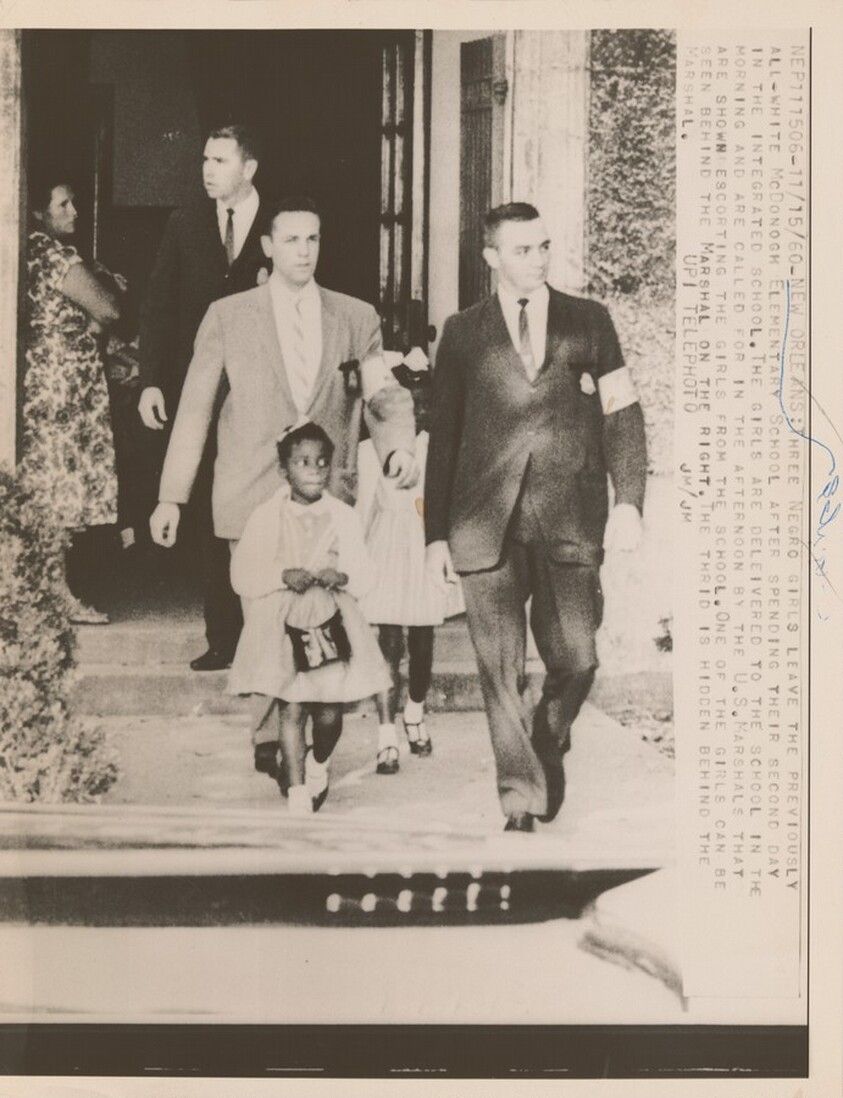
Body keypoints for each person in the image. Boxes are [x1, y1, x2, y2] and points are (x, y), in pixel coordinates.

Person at [149, 194, 416, 772]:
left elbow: (382, 393)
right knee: (264, 622)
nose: (304, 250)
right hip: (248, 492)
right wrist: (171, 497)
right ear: (268, 247)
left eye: (312, 239)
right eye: (291, 239)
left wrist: (398, 447)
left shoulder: (355, 317)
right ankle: (272, 740)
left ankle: (305, 737)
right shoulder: (227, 315)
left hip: (327, 497)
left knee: (319, 616)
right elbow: (194, 408)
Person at [425, 202, 647, 833]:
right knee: (498, 669)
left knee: (577, 657)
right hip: (482, 523)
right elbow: (444, 438)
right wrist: (434, 535)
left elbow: (622, 414)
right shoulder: (462, 332)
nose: (539, 259)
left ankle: (546, 737)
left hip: (570, 517)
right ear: (491, 257)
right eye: (523, 250)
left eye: (544, 246)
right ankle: (520, 795)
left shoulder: (589, 321)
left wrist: (628, 501)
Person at [138, 123, 270, 671]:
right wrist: (150, 379)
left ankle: (271, 634)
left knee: (265, 508)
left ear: (249, 168)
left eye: (220, 160)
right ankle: (224, 637)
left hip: (266, 391)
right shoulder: (186, 222)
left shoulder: (283, 224)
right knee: (215, 506)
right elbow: (159, 303)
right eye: (205, 160)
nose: (207, 170)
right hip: (204, 389)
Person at [229, 421, 389, 814]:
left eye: (321, 462)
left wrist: (343, 576)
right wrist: (281, 575)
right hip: (285, 625)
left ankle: (318, 763)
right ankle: (298, 791)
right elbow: (242, 574)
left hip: (329, 621)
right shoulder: (267, 516)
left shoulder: (342, 516)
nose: (314, 470)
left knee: (330, 714)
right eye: (302, 462)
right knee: (293, 706)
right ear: (283, 469)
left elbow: (365, 572)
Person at [21, 175, 123, 625]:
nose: (74, 212)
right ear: (38, 213)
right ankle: (57, 596)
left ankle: (50, 592)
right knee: (60, 486)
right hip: (63, 383)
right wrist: (103, 303)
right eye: (63, 205)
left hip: (47, 379)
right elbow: (109, 308)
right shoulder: (52, 253)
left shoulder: (27, 253)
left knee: (52, 484)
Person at [356, 351, 464, 775]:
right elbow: (364, 510)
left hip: (423, 550)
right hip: (386, 549)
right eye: (409, 403)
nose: (417, 412)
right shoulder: (371, 451)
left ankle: (415, 711)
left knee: (422, 641)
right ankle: (386, 733)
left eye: (424, 402)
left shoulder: (438, 448)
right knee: (388, 642)